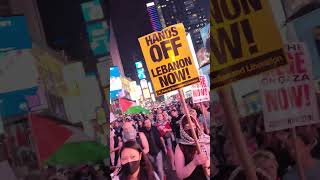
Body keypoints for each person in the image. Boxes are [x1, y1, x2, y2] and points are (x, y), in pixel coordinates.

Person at [175, 115, 210, 180]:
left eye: (194, 126)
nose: (192, 130)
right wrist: (194, 163)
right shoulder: (181, 146)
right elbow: (180, 175)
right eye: (188, 127)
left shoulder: (206, 139)